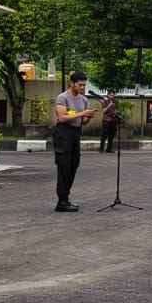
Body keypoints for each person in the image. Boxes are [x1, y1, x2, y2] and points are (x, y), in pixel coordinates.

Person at [53, 71, 99, 212]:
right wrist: (82, 113)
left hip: (75, 133)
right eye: (80, 85)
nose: (82, 87)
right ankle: (61, 201)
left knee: (74, 164)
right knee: (64, 165)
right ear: (71, 83)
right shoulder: (63, 97)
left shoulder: (84, 100)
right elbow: (62, 117)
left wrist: (89, 116)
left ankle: (66, 197)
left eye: (84, 85)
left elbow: (82, 122)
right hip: (63, 132)